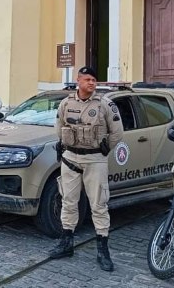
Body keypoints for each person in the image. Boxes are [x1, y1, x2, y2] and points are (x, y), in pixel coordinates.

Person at [48, 66, 124, 272]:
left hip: (95, 160)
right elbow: (58, 127)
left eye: (94, 79)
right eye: (88, 79)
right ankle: (66, 243)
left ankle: (103, 250)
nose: (92, 82)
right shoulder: (66, 103)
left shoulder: (105, 104)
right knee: (68, 201)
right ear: (79, 81)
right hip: (70, 158)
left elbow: (117, 132)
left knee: (99, 204)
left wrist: (104, 149)